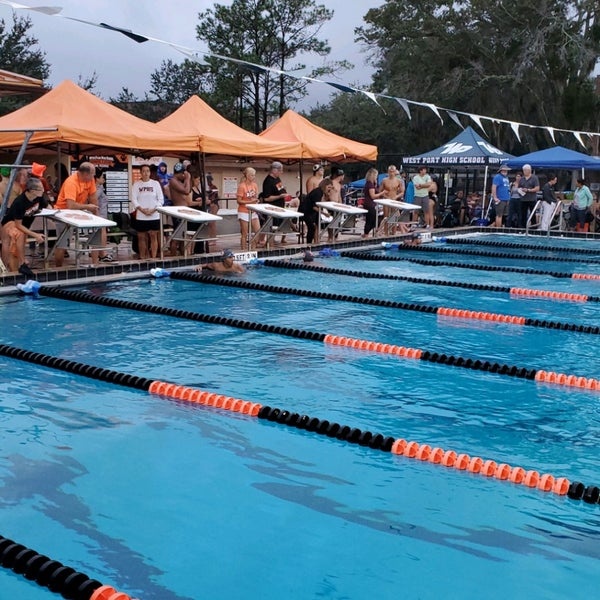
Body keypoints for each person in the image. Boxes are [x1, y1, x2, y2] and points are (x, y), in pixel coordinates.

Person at [54, 162, 98, 268]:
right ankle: (58, 267)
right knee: (63, 242)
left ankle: (96, 264)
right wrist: (88, 207)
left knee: (96, 235)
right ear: (85, 174)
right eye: (92, 174)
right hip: (63, 212)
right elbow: (70, 205)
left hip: (79, 211)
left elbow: (93, 198)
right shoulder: (71, 182)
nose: (94, 177)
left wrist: (96, 217)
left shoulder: (90, 180)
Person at [0, 177, 45, 272]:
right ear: (32, 191)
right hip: (10, 223)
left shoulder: (39, 198)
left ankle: (20, 264)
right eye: (41, 189)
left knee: (20, 243)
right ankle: (14, 266)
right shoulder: (20, 202)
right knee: (14, 239)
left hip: (22, 225)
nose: (43, 190)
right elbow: (18, 224)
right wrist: (35, 235)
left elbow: (47, 207)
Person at [131, 164, 164, 259]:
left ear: (150, 172)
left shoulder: (155, 184)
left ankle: (153, 257)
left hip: (154, 215)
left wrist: (154, 209)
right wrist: (142, 210)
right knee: (141, 237)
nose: (146, 173)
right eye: (144, 171)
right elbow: (134, 199)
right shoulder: (136, 184)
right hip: (141, 215)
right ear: (141, 173)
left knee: (153, 236)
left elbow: (160, 199)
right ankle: (142, 257)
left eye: (147, 171)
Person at [167, 162, 194, 255]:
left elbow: (188, 189)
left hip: (183, 211)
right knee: (177, 236)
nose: (184, 175)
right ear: (178, 173)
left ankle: (183, 255)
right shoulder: (173, 181)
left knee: (183, 237)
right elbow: (186, 191)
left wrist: (187, 179)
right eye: (182, 174)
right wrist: (188, 178)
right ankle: (173, 256)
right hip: (178, 211)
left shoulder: (178, 181)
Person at [262, 161, 290, 244]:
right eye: (280, 171)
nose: (281, 173)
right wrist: (279, 196)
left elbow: (280, 189)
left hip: (280, 207)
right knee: (272, 226)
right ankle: (269, 242)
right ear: (274, 170)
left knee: (283, 222)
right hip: (272, 208)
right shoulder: (268, 181)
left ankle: (277, 239)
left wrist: (284, 193)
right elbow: (266, 198)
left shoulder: (277, 179)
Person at [301, 178, 334, 244]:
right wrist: (324, 214)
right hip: (307, 211)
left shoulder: (320, 192)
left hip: (311, 211)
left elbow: (319, 204)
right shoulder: (318, 192)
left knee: (317, 225)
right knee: (312, 228)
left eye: (330, 187)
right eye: (328, 187)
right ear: (324, 186)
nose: (329, 189)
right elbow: (314, 207)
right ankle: (309, 243)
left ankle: (316, 241)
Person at [236, 167, 261, 249]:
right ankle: (243, 249)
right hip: (244, 211)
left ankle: (253, 248)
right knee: (244, 233)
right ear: (247, 175)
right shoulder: (242, 186)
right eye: (252, 175)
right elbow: (239, 201)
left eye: (254, 175)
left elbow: (255, 196)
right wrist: (249, 202)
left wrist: (256, 201)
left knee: (258, 231)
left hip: (253, 211)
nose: (253, 177)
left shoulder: (255, 185)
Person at [94, 168, 114, 262]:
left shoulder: (99, 188)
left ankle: (101, 252)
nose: (104, 179)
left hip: (102, 214)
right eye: (102, 177)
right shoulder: (97, 188)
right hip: (99, 215)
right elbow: (94, 198)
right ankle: (102, 253)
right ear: (97, 179)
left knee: (101, 233)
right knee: (101, 233)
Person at [380, 165, 406, 234]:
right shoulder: (384, 180)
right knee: (386, 217)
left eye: (393, 171)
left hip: (394, 200)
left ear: (395, 172)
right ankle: (386, 232)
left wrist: (396, 196)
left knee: (394, 217)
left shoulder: (399, 181)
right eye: (390, 172)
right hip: (386, 200)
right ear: (388, 172)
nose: (391, 173)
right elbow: (380, 191)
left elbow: (402, 192)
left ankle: (393, 232)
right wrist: (385, 196)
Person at [362, 167, 385, 238]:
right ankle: (366, 234)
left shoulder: (371, 184)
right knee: (371, 220)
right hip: (370, 204)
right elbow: (373, 196)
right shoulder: (370, 185)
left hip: (370, 204)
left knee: (372, 219)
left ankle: (367, 233)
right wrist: (382, 193)